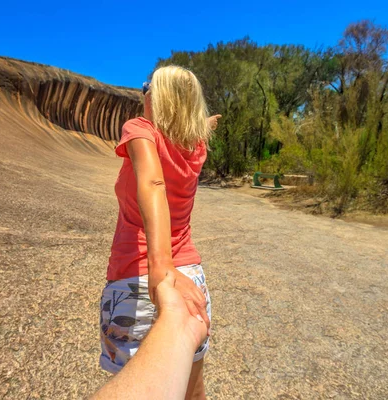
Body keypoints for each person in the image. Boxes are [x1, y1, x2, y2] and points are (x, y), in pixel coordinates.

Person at [98, 65, 221, 399]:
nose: (143, 93)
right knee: (193, 391)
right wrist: (206, 124)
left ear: (158, 96)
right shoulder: (196, 148)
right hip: (192, 278)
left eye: (146, 87)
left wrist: (161, 267)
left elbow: (153, 182)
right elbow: (190, 133)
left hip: (139, 275)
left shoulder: (139, 130)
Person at [92, 271, 209, 399]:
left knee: (130, 379)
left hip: (133, 286)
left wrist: (161, 263)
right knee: (194, 393)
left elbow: (157, 261)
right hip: (190, 280)